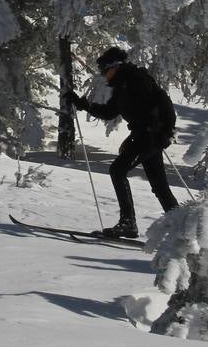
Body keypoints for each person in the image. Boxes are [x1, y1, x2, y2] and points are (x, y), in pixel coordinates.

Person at [63, 46, 178, 238]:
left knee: (117, 170)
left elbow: (162, 102)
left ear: (114, 67)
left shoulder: (136, 79)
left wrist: (163, 132)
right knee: (159, 185)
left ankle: (128, 224)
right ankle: (180, 228)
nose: (103, 75)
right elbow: (109, 112)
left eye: (104, 70)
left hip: (150, 136)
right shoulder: (122, 85)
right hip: (145, 136)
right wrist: (81, 103)